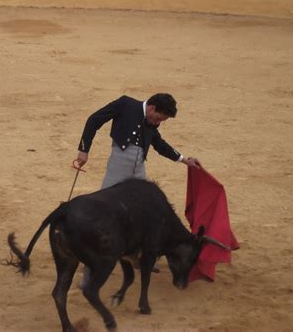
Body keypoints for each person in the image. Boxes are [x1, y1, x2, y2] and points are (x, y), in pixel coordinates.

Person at [75, 93, 202, 288]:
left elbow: (158, 144)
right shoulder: (125, 104)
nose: (158, 122)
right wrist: (84, 149)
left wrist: (184, 160)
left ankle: (140, 258)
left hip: (138, 169)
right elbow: (94, 120)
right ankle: (88, 268)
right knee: (102, 216)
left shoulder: (152, 122)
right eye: (159, 118)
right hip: (118, 167)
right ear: (152, 108)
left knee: (146, 214)